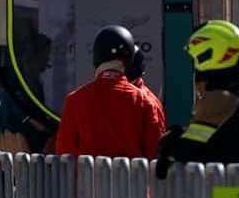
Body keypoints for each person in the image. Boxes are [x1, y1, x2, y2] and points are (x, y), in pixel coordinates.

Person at [158, 20, 239, 177]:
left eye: (196, 58)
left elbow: (187, 149)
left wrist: (168, 145)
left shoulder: (220, 97)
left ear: (209, 54)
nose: (195, 65)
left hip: (231, 195)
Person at [56, 26, 167, 161]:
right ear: (130, 58)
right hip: (132, 180)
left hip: (88, 181)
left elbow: (65, 151)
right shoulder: (144, 101)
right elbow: (154, 152)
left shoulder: (75, 100)